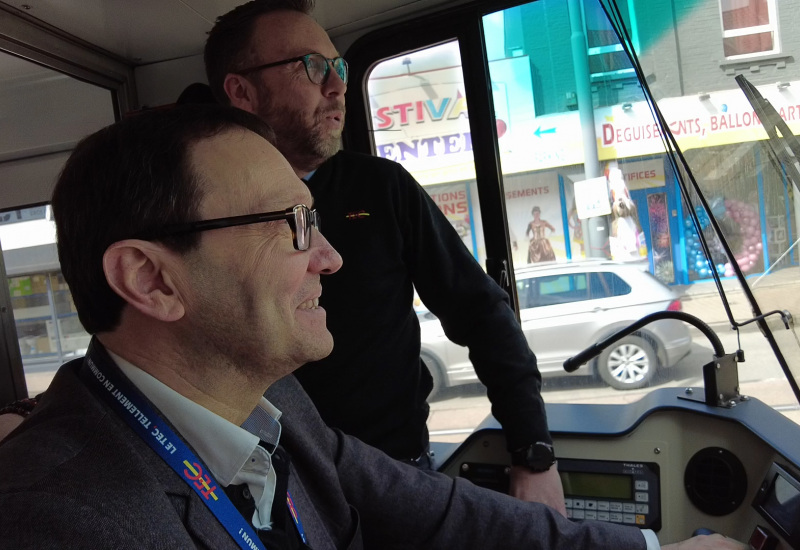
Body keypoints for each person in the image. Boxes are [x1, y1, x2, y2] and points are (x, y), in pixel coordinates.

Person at [0, 106, 746, 550]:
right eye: (293, 226)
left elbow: (440, 515)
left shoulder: (276, 410)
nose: (328, 257)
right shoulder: (58, 519)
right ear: (152, 279)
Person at [204, 0, 565, 511]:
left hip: (395, 476)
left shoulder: (380, 187)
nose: (336, 87)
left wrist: (533, 453)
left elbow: (479, 311)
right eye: (312, 67)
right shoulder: (200, 210)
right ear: (242, 91)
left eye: (341, 68)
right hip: (259, 489)